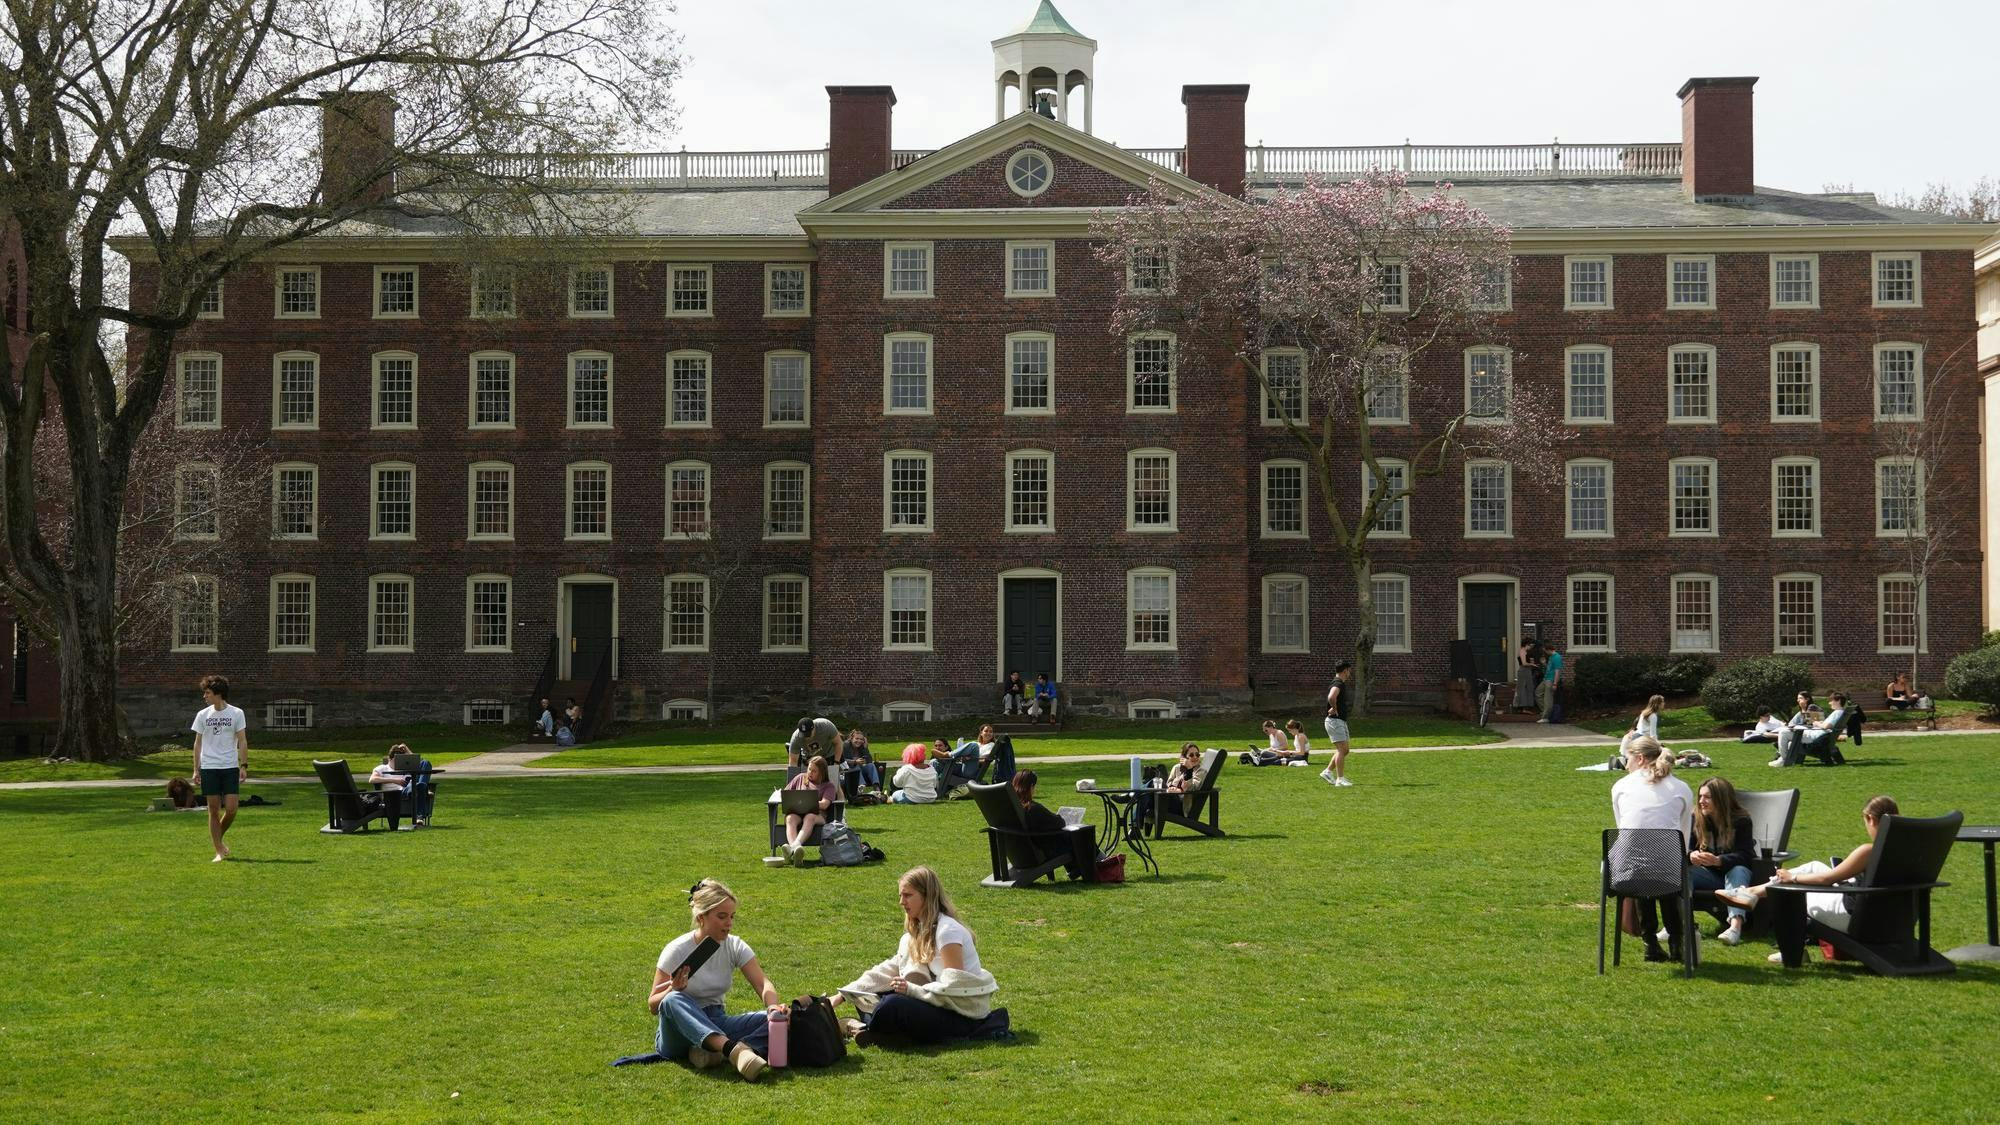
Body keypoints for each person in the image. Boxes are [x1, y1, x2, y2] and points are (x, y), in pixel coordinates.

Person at [1714, 796, 1901, 965]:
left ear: (1871, 819)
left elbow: (1827, 879)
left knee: (1789, 892)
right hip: (1890, 918)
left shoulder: (1869, 851)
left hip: (1856, 917)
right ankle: (1752, 893)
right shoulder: (1907, 849)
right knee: (1813, 866)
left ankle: (1792, 952)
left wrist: (1792, 878)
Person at [834, 866, 1000, 1047]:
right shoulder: (916, 933)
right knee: (868, 995)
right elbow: (887, 970)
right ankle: (883, 1033)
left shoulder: (947, 932)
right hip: (938, 1005)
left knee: (892, 1004)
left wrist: (911, 990)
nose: (901, 902)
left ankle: (861, 1027)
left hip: (961, 1016)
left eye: (907, 895)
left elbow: (956, 988)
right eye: (900, 895)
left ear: (926, 896)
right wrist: (844, 994)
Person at [649, 879, 780, 1080]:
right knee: (672, 999)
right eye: (722, 916)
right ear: (701, 917)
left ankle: (716, 1050)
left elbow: (762, 983)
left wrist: (773, 1009)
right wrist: (672, 988)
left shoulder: (734, 945)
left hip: (716, 1020)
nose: (729, 923)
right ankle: (732, 1051)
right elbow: (653, 1005)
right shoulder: (676, 950)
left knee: (782, 1019)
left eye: (732, 916)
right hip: (676, 1033)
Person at [1609, 736, 1695, 963]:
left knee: (1642, 867)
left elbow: (1624, 830)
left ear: (1639, 758)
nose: (1625, 765)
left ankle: (1650, 943)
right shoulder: (1681, 788)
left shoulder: (1621, 786)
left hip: (1626, 873)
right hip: (1668, 869)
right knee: (1664, 869)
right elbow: (1684, 835)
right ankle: (1676, 941)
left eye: (1626, 759)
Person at [1689, 777, 1757, 945]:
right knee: (1683, 871)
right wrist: (1691, 855)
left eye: (1707, 797)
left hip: (1734, 876)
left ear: (1720, 799)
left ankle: (1735, 928)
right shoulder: (1695, 818)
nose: (1701, 801)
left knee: (1738, 870)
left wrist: (1719, 860)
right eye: (1700, 796)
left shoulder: (1741, 821)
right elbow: (1686, 848)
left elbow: (1746, 855)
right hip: (1708, 876)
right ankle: (1679, 925)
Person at [188, 674, 248, 862]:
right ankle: (219, 851)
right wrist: (196, 769)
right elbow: (197, 744)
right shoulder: (202, 715)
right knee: (213, 809)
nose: (204, 696)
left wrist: (243, 765)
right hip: (209, 767)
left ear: (218, 694)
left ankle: (217, 839)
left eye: (207, 693)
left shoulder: (237, 713)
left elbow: (242, 740)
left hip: (230, 766)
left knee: (231, 809)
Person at [781, 755, 839, 866]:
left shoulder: (828, 786)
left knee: (809, 817)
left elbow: (824, 804)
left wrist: (809, 803)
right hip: (797, 813)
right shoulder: (800, 778)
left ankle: (793, 847)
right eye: (809, 769)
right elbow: (786, 793)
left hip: (818, 816)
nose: (810, 773)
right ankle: (797, 852)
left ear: (822, 772)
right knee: (790, 818)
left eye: (814, 771)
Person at [1775, 692, 1848, 767]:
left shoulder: (1837, 712)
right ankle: (1784, 758)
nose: (1829, 703)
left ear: (1838, 701)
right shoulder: (1841, 712)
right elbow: (1827, 725)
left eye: (1831, 701)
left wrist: (1817, 723)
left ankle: (1783, 759)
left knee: (1783, 732)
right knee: (1790, 742)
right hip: (1820, 734)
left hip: (1816, 736)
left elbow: (1826, 726)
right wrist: (1821, 723)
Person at [1320, 660, 1354, 787]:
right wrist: (1334, 708)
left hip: (1339, 721)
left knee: (1345, 750)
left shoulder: (1339, 683)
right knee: (1341, 750)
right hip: (1334, 721)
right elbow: (1331, 697)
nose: (1350, 673)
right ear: (1345, 670)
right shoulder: (1338, 683)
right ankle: (1340, 779)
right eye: (1349, 670)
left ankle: (1328, 772)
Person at [837, 728, 882, 800]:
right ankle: (861, 787)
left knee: (871, 765)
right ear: (851, 738)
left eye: (861, 739)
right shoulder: (845, 746)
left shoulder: (862, 747)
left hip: (860, 770)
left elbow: (869, 760)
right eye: (856, 738)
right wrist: (855, 762)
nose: (859, 741)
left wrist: (865, 748)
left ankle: (877, 790)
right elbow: (841, 760)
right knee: (857, 766)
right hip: (847, 772)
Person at [1538, 642, 1565, 723]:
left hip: (1551, 680)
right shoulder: (1551, 657)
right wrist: (1544, 664)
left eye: (1545, 651)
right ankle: (1547, 711)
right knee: (1537, 693)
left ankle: (1545, 717)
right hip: (1545, 679)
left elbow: (1557, 671)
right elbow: (1550, 668)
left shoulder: (1557, 657)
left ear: (1549, 650)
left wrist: (1555, 683)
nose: (1545, 653)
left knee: (1548, 699)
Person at [1513, 639, 1541, 713]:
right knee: (1523, 689)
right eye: (1530, 645)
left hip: (1527, 671)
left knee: (1528, 688)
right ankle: (1522, 707)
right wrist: (1532, 664)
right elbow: (1524, 663)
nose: (1530, 647)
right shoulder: (1522, 651)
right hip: (1523, 671)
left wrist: (1532, 663)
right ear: (1526, 645)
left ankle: (1525, 707)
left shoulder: (1525, 651)